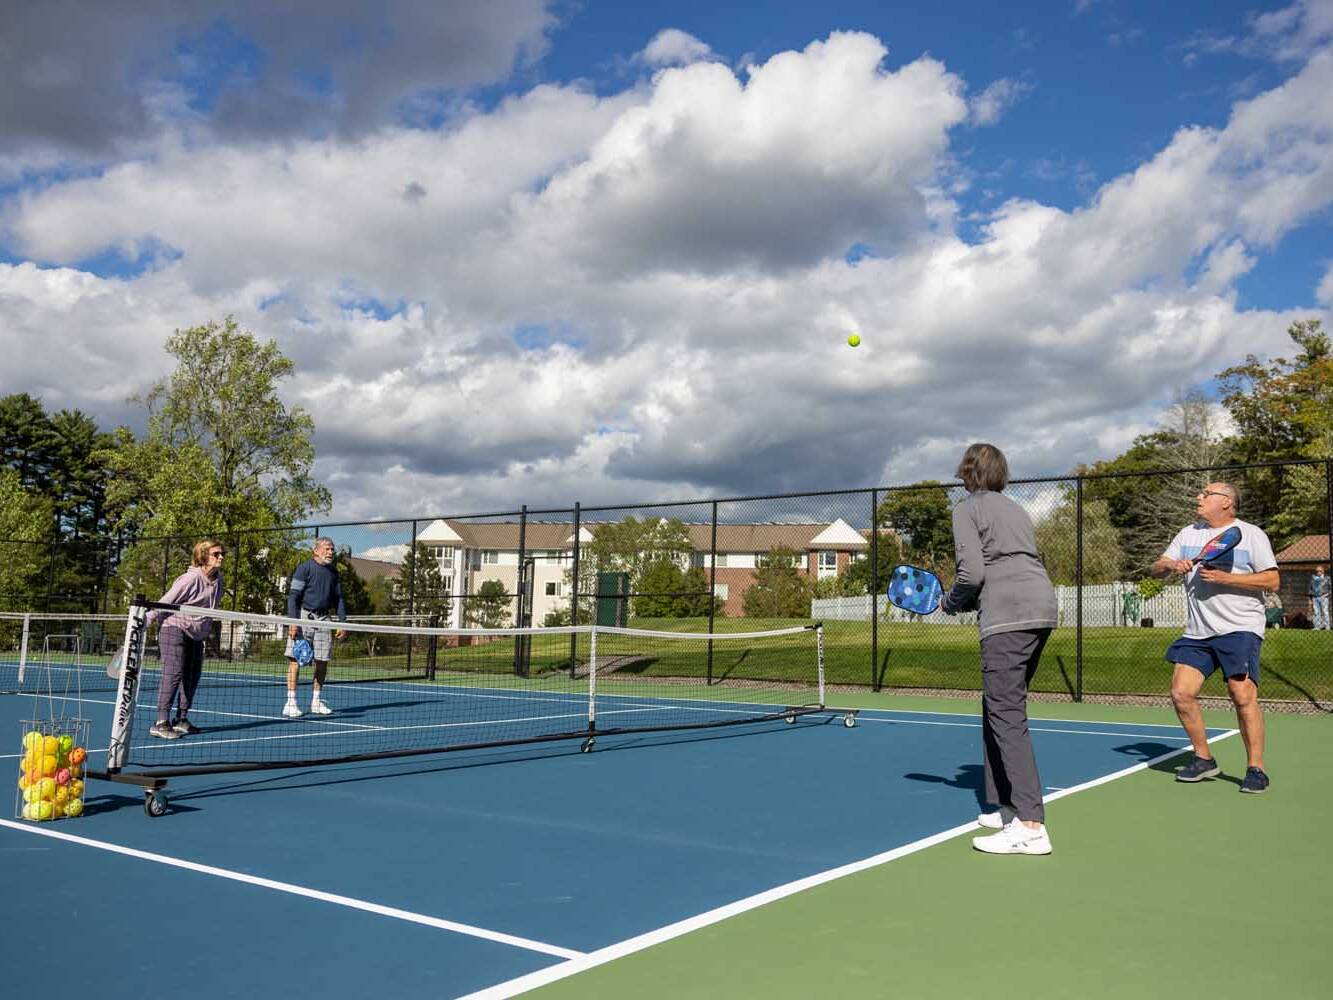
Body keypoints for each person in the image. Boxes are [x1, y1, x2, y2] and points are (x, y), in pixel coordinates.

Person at [940, 443, 1059, 856]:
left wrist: (951, 601)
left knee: (1007, 715)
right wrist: (972, 597)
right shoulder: (1016, 509)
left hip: (1008, 615)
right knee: (998, 707)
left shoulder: (965, 509)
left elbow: (971, 573)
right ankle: (1003, 806)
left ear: (967, 472)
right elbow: (1002, 564)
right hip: (1042, 606)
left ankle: (1030, 826)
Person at [1152, 482, 1279, 794]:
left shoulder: (1251, 534)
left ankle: (1256, 768)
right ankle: (1204, 759)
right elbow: (1156, 567)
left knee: (1242, 694)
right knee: (1181, 693)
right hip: (1197, 632)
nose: (1199, 497)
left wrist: (1228, 578)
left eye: (1206, 494)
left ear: (1227, 503)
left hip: (1240, 628)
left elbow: (1273, 580)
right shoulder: (1188, 534)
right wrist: (1171, 564)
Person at [146, 540, 225, 739]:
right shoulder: (189, 579)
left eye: (222, 554)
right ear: (203, 556)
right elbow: (165, 601)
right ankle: (161, 722)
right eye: (216, 554)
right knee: (174, 673)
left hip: (196, 634)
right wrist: (144, 621)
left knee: (192, 676)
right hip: (174, 627)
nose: (221, 557)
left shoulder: (219, 581)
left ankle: (181, 719)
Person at [282, 536, 348, 717]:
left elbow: (339, 599)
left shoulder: (333, 572)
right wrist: (293, 622)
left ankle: (316, 702)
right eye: (327, 548)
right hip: (303, 618)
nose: (331, 552)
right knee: (295, 660)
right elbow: (293, 597)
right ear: (316, 550)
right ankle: (291, 702)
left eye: (332, 549)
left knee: (322, 661)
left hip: (324, 619)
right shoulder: (304, 569)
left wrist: (342, 622)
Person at [1309, 566, 1330, 630]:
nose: (1318, 572)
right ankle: (1317, 626)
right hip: (1315, 598)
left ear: (1323, 571)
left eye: (1320, 571)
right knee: (1316, 612)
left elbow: (1330, 588)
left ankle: (1327, 626)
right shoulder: (1313, 578)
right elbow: (1310, 588)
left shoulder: (1327, 578)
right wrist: (1310, 598)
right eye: (1317, 571)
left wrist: (1327, 594)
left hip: (1324, 597)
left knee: (1325, 612)